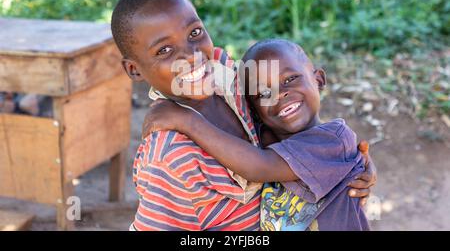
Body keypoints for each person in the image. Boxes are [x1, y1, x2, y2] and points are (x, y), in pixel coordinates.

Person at [111, 0, 376, 231]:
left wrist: (350, 165)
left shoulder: (229, 77)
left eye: (194, 33)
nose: (191, 56)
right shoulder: (167, 158)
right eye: (164, 51)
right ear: (134, 69)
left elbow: (291, 125)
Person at [144, 39, 371, 231]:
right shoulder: (267, 139)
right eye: (263, 93)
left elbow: (259, 167)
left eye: (290, 79)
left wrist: (188, 121)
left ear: (319, 80)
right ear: (253, 110)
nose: (280, 94)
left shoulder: (334, 139)